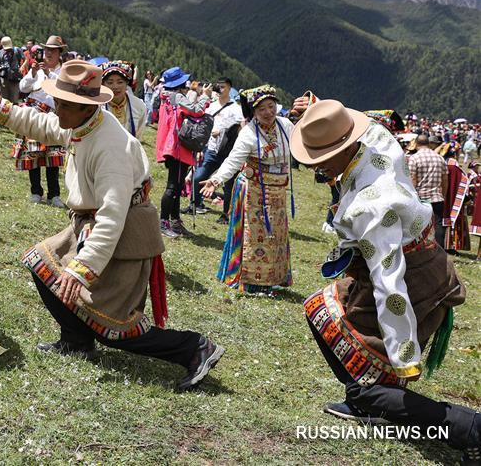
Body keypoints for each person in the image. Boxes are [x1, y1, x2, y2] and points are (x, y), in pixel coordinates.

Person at [0, 61, 225, 389]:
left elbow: (112, 217)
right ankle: (76, 340)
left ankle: (194, 347)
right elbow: (48, 125)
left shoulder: (112, 147)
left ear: (86, 105)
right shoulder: (80, 121)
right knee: (41, 264)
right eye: (59, 103)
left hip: (124, 235)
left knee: (113, 326)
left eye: (64, 105)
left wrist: (81, 268)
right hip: (90, 225)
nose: (58, 111)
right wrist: (6, 110)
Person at [289, 100, 477, 462]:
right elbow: (341, 125)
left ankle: (468, 426)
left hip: (413, 280)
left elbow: (389, 283)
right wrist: (317, 112)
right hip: (422, 262)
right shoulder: (374, 138)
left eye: (323, 158)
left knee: (371, 387)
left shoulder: (371, 208)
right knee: (319, 309)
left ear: (344, 148)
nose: (319, 167)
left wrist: (403, 353)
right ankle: (367, 395)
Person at [201, 85, 295, 295]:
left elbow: (303, 144)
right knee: (255, 236)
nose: (268, 112)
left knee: (276, 236)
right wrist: (215, 181)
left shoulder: (286, 126)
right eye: (261, 109)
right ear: (253, 113)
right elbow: (233, 162)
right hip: (254, 190)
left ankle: (275, 278)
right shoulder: (249, 134)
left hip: (278, 191)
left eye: (271, 106)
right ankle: (253, 282)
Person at [15, 35, 68, 208]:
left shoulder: (63, 72)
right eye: (47, 50)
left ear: (59, 52)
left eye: (52, 50)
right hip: (35, 113)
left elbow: (63, 90)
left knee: (53, 155)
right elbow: (23, 87)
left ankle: (54, 194)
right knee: (33, 154)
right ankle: (36, 191)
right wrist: (34, 73)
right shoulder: (37, 70)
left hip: (53, 116)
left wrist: (48, 74)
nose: (49, 53)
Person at [155, 67, 208, 238]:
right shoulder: (176, 96)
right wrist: (206, 95)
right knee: (173, 187)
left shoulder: (165, 97)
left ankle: (175, 221)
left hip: (172, 146)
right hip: (178, 148)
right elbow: (196, 110)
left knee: (177, 187)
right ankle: (163, 222)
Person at [190, 77, 242, 215]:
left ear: (230, 89)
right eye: (218, 87)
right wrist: (201, 147)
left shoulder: (236, 109)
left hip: (229, 152)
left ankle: (226, 214)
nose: (220, 89)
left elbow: (240, 129)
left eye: (223, 87)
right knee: (198, 177)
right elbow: (204, 127)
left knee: (228, 185)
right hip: (211, 150)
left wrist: (223, 131)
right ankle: (195, 205)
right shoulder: (211, 106)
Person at [408, 135, 448, 249]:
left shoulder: (414, 158)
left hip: (421, 198)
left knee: (420, 226)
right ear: (428, 144)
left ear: (416, 144)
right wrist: (443, 195)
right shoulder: (440, 158)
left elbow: (413, 179)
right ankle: (439, 249)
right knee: (438, 225)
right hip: (437, 198)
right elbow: (445, 179)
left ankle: (422, 250)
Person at [100, 60, 146, 138]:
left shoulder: (139, 106)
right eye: (110, 82)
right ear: (103, 84)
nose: (115, 87)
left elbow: (138, 134)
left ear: (127, 83)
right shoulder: (97, 106)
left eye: (120, 82)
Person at [0, 36, 21, 103]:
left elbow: (24, 59)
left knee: (14, 97)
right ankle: (5, 112)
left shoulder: (17, 50)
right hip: (3, 78)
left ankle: (14, 111)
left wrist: (22, 67)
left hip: (14, 77)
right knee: (4, 98)